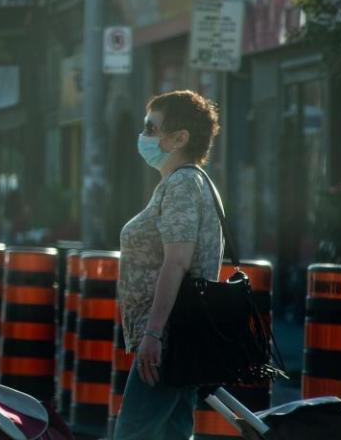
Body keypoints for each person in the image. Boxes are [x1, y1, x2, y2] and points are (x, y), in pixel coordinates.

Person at [114, 90, 223, 440]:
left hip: (170, 338)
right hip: (179, 337)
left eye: (151, 127)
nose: (143, 135)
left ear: (179, 139)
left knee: (133, 433)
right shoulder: (182, 183)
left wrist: (154, 334)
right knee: (172, 433)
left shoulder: (182, 184)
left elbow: (176, 262)